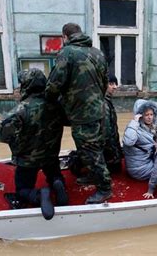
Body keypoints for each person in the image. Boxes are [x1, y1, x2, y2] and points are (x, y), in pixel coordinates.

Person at [45, 23, 111, 204]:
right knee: (92, 146)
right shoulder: (97, 53)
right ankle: (92, 175)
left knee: (90, 150)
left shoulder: (67, 53)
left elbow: (54, 84)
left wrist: (47, 99)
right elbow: (105, 83)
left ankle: (105, 188)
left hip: (82, 113)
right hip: (98, 109)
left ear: (65, 36)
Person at [0, 69, 68, 220]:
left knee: (22, 188)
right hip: (51, 155)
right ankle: (57, 184)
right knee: (54, 174)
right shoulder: (56, 105)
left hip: (27, 160)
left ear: (26, 85)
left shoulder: (20, 110)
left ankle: (38, 195)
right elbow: (69, 120)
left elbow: (2, 137)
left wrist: (1, 125)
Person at [122, 99, 157, 199]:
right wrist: (135, 121)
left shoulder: (147, 126)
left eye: (151, 114)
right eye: (146, 115)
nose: (150, 117)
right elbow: (128, 141)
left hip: (144, 161)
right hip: (139, 169)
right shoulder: (134, 127)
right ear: (140, 115)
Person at [103, 74, 123, 173]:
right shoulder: (103, 103)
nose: (115, 87)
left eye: (115, 84)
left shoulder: (107, 101)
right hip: (107, 149)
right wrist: (113, 155)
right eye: (111, 84)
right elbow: (106, 133)